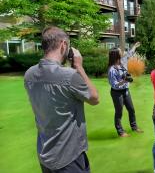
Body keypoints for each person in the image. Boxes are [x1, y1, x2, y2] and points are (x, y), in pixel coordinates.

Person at [24, 26, 99, 173]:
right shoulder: (69, 76)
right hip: (68, 156)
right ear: (63, 45)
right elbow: (94, 98)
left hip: (44, 153)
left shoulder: (29, 74)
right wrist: (79, 67)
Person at [107, 42, 143, 137]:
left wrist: (134, 46)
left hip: (126, 91)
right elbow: (114, 84)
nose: (122, 52)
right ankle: (120, 132)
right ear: (116, 55)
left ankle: (134, 127)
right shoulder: (112, 70)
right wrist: (124, 81)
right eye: (120, 51)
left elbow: (129, 54)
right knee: (119, 112)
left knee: (131, 109)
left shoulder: (123, 62)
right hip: (117, 93)